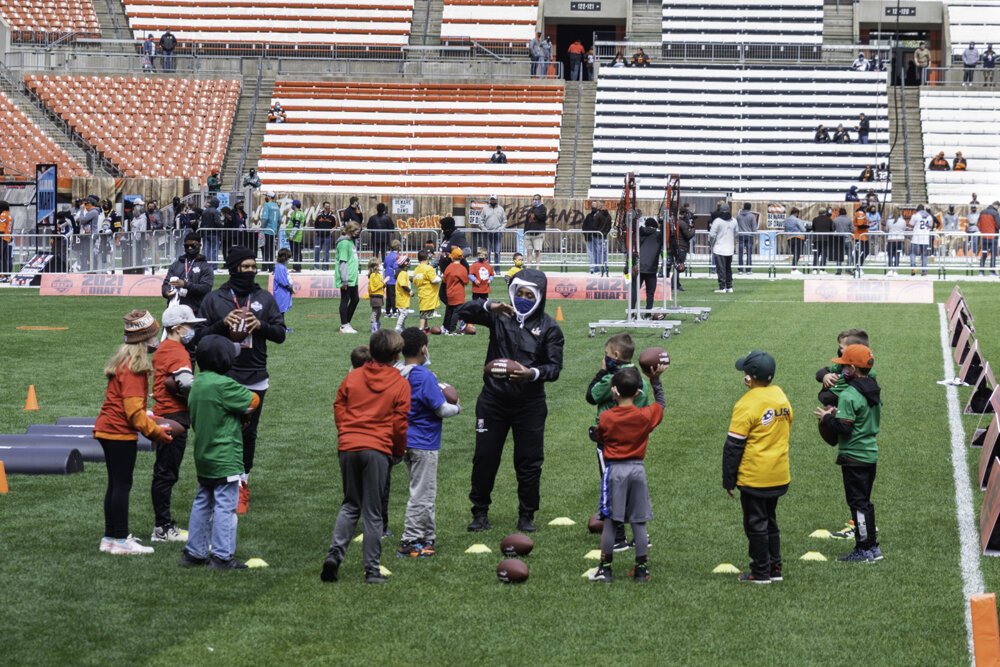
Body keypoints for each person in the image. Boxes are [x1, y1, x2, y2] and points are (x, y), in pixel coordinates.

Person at [457, 269, 564, 532]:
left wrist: (531, 374)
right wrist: (488, 304)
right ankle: (479, 512)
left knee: (529, 461)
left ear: (540, 297)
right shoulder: (499, 317)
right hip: (493, 400)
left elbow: (554, 368)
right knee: (485, 457)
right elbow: (462, 311)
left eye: (530, 295)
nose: (523, 299)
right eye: (520, 293)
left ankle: (526, 515)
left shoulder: (550, 328)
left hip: (530, 404)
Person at [196, 247, 286, 514]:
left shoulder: (264, 298)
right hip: (223, 375)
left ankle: (242, 483)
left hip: (255, 375)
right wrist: (223, 324)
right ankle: (216, 481)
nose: (249, 271)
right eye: (244, 266)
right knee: (220, 431)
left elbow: (281, 334)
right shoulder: (215, 299)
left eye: (252, 266)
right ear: (233, 268)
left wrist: (261, 325)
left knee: (248, 433)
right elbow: (198, 335)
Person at [321, 329, 410, 584]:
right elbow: (399, 423)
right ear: (395, 356)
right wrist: (397, 450)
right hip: (377, 449)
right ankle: (371, 569)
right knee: (373, 513)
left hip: (349, 446)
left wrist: (345, 432)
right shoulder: (399, 383)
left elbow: (339, 405)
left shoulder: (354, 377)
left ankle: (334, 556)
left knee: (350, 504)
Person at [179, 334, 261, 570]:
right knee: (226, 505)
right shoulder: (224, 385)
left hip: (203, 455)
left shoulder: (198, 383)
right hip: (226, 456)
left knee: (202, 501)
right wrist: (243, 414)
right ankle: (222, 555)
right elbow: (253, 399)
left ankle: (195, 552)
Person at [94, 310, 172, 555]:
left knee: (115, 484)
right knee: (122, 485)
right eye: (154, 335)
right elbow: (133, 413)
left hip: (108, 429)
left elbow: (132, 407)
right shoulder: (135, 368)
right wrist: (157, 433)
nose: (157, 340)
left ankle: (110, 537)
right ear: (145, 339)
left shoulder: (122, 361)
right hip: (118, 433)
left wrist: (145, 415)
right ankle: (119, 539)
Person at [587, 363, 665, 584]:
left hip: (615, 471)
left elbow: (600, 437)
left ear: (614, 391)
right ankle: (641, 569)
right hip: (637, 469)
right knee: (639, 523)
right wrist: (656, 381)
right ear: (638, 392)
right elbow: (661, 405)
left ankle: (605, 568)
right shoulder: (645, 416)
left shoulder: (607, 417)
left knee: (611, 521)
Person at [722, 350, 792, 584]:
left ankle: (760, 572)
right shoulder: (780, 394)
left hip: (755, 476)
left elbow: (734, 445)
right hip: (779, 473)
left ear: (750, 377)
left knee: (755, 524)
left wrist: (728, 479)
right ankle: (775, 567)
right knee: (770, 520)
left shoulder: (746, 403)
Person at [396, 328, 462, 558]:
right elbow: (442, 409)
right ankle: (410, 541)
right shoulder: (424, 377)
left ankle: (427, 537)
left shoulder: (398, 372)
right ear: (424, 348)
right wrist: (458, 407)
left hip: (404, 438)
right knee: (422, 494)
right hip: (424, 441)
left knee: (425, 492)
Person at [814, 344, 883, 563]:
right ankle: (872, 547)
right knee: (865, 502)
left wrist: (827, 417)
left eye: (845, 366)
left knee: (858, 504)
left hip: (854, 455)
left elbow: (845, 428)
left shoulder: (849, 394)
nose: (842, 369)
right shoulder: (872, 387)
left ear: (853, 368)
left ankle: (863, 549)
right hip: (869, 453)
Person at [586, 333, 653, 552]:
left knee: (611, 485)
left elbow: (591, 395)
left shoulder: (612, 379)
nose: (605, 357)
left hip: (610, 443)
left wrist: (603, 371)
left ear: (615, 354)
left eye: (606, 354)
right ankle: (640, 534)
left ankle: (617, 537)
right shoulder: (640, 379)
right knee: (634, 489)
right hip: (634, 443)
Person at [150, 304, 204, 543]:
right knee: (166, 473)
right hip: (173, 416)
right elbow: (185, 382)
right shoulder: (176, 351)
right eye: (190, 326)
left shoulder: (164, 348)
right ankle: (162, 527)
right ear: (179, 328)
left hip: (165, 414)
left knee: (164, 471)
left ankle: (163, 525)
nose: (193, 330)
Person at [162, 233, 213, 312]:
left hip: (196, 310)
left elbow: (206, 288)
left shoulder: (205, 266)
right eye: (187, 246)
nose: (189, 248)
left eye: (192, 245)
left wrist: (185, 285)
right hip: (176, 309)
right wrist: (166, 292)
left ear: (199, 245)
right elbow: (166, 282)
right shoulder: (176, 265)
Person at [335, 222, 362, 334]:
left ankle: (347, 323)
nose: (359, 233)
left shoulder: (350, 242)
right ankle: (344, 325)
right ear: (351, 231)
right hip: (347, 277)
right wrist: (344, 279)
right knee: (345, 300)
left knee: (355, 299)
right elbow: (343, 262)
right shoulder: (344, 243)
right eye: (357, 231)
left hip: (353, 277)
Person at [633, 217, 662, 314]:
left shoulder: (638, 233)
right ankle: (648, 312)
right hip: (651, 268)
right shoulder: (658, 235)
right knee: (650, 293)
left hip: (638, 267)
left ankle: (631, 311)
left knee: (634, 291)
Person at [665, 202, 694, 290]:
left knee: (669, 266)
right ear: (684, 214)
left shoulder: (671, 222)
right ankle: (674, 284)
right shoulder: (681, 223)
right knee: (679, 266)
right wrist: (693, 229)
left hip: (671, 246)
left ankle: (672, 283)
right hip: (681, 247)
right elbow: (688, 235)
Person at [709, 204, 737, 293]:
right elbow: (736, 233)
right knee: (728, 268)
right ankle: (729, 286)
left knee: (721, 269)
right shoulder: (734, 220)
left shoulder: (717, 221)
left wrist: (711, 244)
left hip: (719, 248)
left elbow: (712, 235)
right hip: (730, 248)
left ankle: (722, 287)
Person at [413, 250, 441, 331]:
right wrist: (439, 278)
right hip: (429, 293)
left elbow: (414, 280)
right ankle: (421, 328)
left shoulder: (417, 269)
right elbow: (433, 280)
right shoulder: (429, 268)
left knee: (424, 310)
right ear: (427, 258)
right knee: (424, 313)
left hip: (421, 292)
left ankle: (426, 327)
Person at [443, 247, 470, 332]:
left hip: (449, 292)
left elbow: (444, 279)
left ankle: (446, 328)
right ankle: (452, 329)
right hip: (459, 293)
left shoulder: (449, 267)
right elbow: (466, 281)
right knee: (457, 312)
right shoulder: (462, 268)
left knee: (450, 310)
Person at [583, 200, 612, 275]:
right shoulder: (608, 216)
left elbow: (594, 226)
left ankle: (597, 268)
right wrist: (605, 233)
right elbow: (609, 227)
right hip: (604, 236)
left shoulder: (598, 216)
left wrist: (596, 233)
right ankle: (604, 268)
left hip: (597, 236)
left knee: (596, 253)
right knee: (604, 253)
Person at [480, 195, 507, 266]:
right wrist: (484, 228)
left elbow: (504, 220)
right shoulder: (485, 208)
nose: (492, 201)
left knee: (497, 251)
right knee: (487, 251)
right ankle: (487, 267)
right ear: (490, 200)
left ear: (496, 200)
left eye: (494, 199)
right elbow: (481, 219)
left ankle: (497, 269)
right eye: (491, 199)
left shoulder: (501, 209)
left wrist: (501, 228)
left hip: (498, 232)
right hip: (487, 232)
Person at [908, 204, 934, 276]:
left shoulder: (915, 215)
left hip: (916, 237)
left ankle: (913, 268)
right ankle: (924, 270)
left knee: (913, 253)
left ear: (917, 209)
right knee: (924, 255)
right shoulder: (929, 216)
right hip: (925, 238)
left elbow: (910, 225)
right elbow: (930, 226)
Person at [524, 194, 547, 270]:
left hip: (538, 234)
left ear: (540, 200)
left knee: (538, 251)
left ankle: (537, 268)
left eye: (536, 199)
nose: (534, 201)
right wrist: (525, 231)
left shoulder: (543, 208)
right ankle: (528, 267)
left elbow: (541, 217)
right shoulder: (531, 209)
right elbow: (527, 221)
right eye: (533, 199)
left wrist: (535, 208)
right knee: (529, 252)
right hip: (529, 233)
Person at [259, 191, 280, 270]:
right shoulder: (276, 206)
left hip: (266, 230)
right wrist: (277, 230)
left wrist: (261, 228)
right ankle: (271, 266)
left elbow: (265, 218)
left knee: (264, 248)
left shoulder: (267, 205)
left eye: (266, 196)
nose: (265, 197)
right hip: (273, 231)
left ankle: (264, 266)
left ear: (269, 197)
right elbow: (279, 220)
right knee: (272, 250)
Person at [313, 201, 337, 270]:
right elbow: (315, 224)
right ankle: (316, 266)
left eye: (329, 206)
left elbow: (335, 226)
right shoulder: (319, 215)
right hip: (319, 237)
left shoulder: (333, 216)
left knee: (326, 252)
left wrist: (329, 232)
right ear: (323, 207)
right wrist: (317, 232)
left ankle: (325, 267)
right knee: (317, 251)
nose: (327, 208)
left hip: (327, 237)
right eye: (326, 206)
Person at [272, 248, 295, 320]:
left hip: (284, 292)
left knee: (282, 311)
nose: (289, 260)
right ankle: (281, 327)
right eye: (288, 258)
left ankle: (283, 326)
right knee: (280, 310)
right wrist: (290, 288)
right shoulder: (280, 267)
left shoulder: (282, 267)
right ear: (284, 258)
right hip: (281, 292)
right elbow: (282, 281)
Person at [784, 207, 807, 274]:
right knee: (797, 254)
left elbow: (785, 230)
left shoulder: (786, 220)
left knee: (795, 254)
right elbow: (803, 230)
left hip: (789, 238)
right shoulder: (797, 220)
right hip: (798, 238)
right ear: (797, 213)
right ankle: (794, 269)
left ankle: (794, 268)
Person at [393, 254, 412, 331]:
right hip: (402, 297)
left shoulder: (403, 273)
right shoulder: (402, 273)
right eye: (408, 261)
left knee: (402, 313)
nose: (409, 263)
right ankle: (398, 327)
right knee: (403, 313)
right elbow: (403, 284)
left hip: (403, 298)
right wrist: (410, 291)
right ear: (405, 263)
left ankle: (402, 327)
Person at [978, 202, 998, 276]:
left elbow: (978, 224)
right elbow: (998, 225)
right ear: (997, 206)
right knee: (993, 255)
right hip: (993, 237)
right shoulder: (995, 213)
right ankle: (992, 272)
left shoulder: (982, 212)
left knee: (984, 254)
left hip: (984, 237)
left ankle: (981, 272)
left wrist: (983, 231)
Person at [811, 207, 833, 273]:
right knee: (824, 254)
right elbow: (831, 229)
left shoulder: (815, 219)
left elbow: (813, 228)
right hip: (826, 239)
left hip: (816, 239)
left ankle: (814, 269)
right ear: (825, 212)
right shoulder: (829, 220)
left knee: (816, 254)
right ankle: (822, 269)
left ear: (819, 212)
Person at [832, 207, 853, 275]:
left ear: (839, 213)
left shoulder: (835, 220)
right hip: (847, 239)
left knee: (839, 255)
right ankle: (848, 269)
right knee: (849, 255)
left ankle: (839, 270)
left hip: (838, 239)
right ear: (846, 213)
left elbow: (833, 228)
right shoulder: (849, 220)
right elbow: (852, 230)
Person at [736, 203, 756, 275]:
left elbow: (736, 226)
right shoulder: (752, 216)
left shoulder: (738, 216)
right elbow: (754, 227)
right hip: (749, 235)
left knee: (740, 253)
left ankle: (740, 269)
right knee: (749, 253)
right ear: (750, 208)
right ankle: (748, 269)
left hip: (741, 235)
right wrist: (755, 235)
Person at [885, 209, 906, 276]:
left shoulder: (889, 221)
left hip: (891, 239)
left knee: (890, 255)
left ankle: (890, 270)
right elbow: (904, 229)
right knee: (897, 255)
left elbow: (886, 229)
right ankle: (896, 270)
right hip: (899, 240)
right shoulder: (903, 221)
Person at [367, 257, 385, 333]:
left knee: (379, 311)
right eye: (379, 265)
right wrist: (383, 283)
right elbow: (373, 288)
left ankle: (377, 324)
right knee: (374, 312)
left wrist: (384, 284)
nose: (380, 266)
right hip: (375, 296)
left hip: (380, 296)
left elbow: (381, 285)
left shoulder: (379, 275)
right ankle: (373, 325)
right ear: (375, 266)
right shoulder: (372, 276)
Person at [384, 239, 401, 316]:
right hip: (394, 279)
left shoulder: (388, 256)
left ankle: (388, 311)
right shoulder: (397, 256)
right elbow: (396, 267)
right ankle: (394, 310)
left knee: (388, 296)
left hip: (387, 278)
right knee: (394, 296)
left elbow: (384, 265)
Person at [853, 205, 870, 271]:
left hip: (863, 236)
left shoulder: (861, 214)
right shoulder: (860, 213)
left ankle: (858, 266)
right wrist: (867, 226)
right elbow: (860, 225)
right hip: (860, 236)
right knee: (860, 252)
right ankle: (857, 267)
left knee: (864, 252)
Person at [0, 200, 12, 280]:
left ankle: (2, 275)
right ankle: (5, 274)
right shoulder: (9, 215)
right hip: (6, 239)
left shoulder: (3, 214)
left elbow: (1, 228)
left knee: (1, 258)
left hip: (2, 238)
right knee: (4, 258)